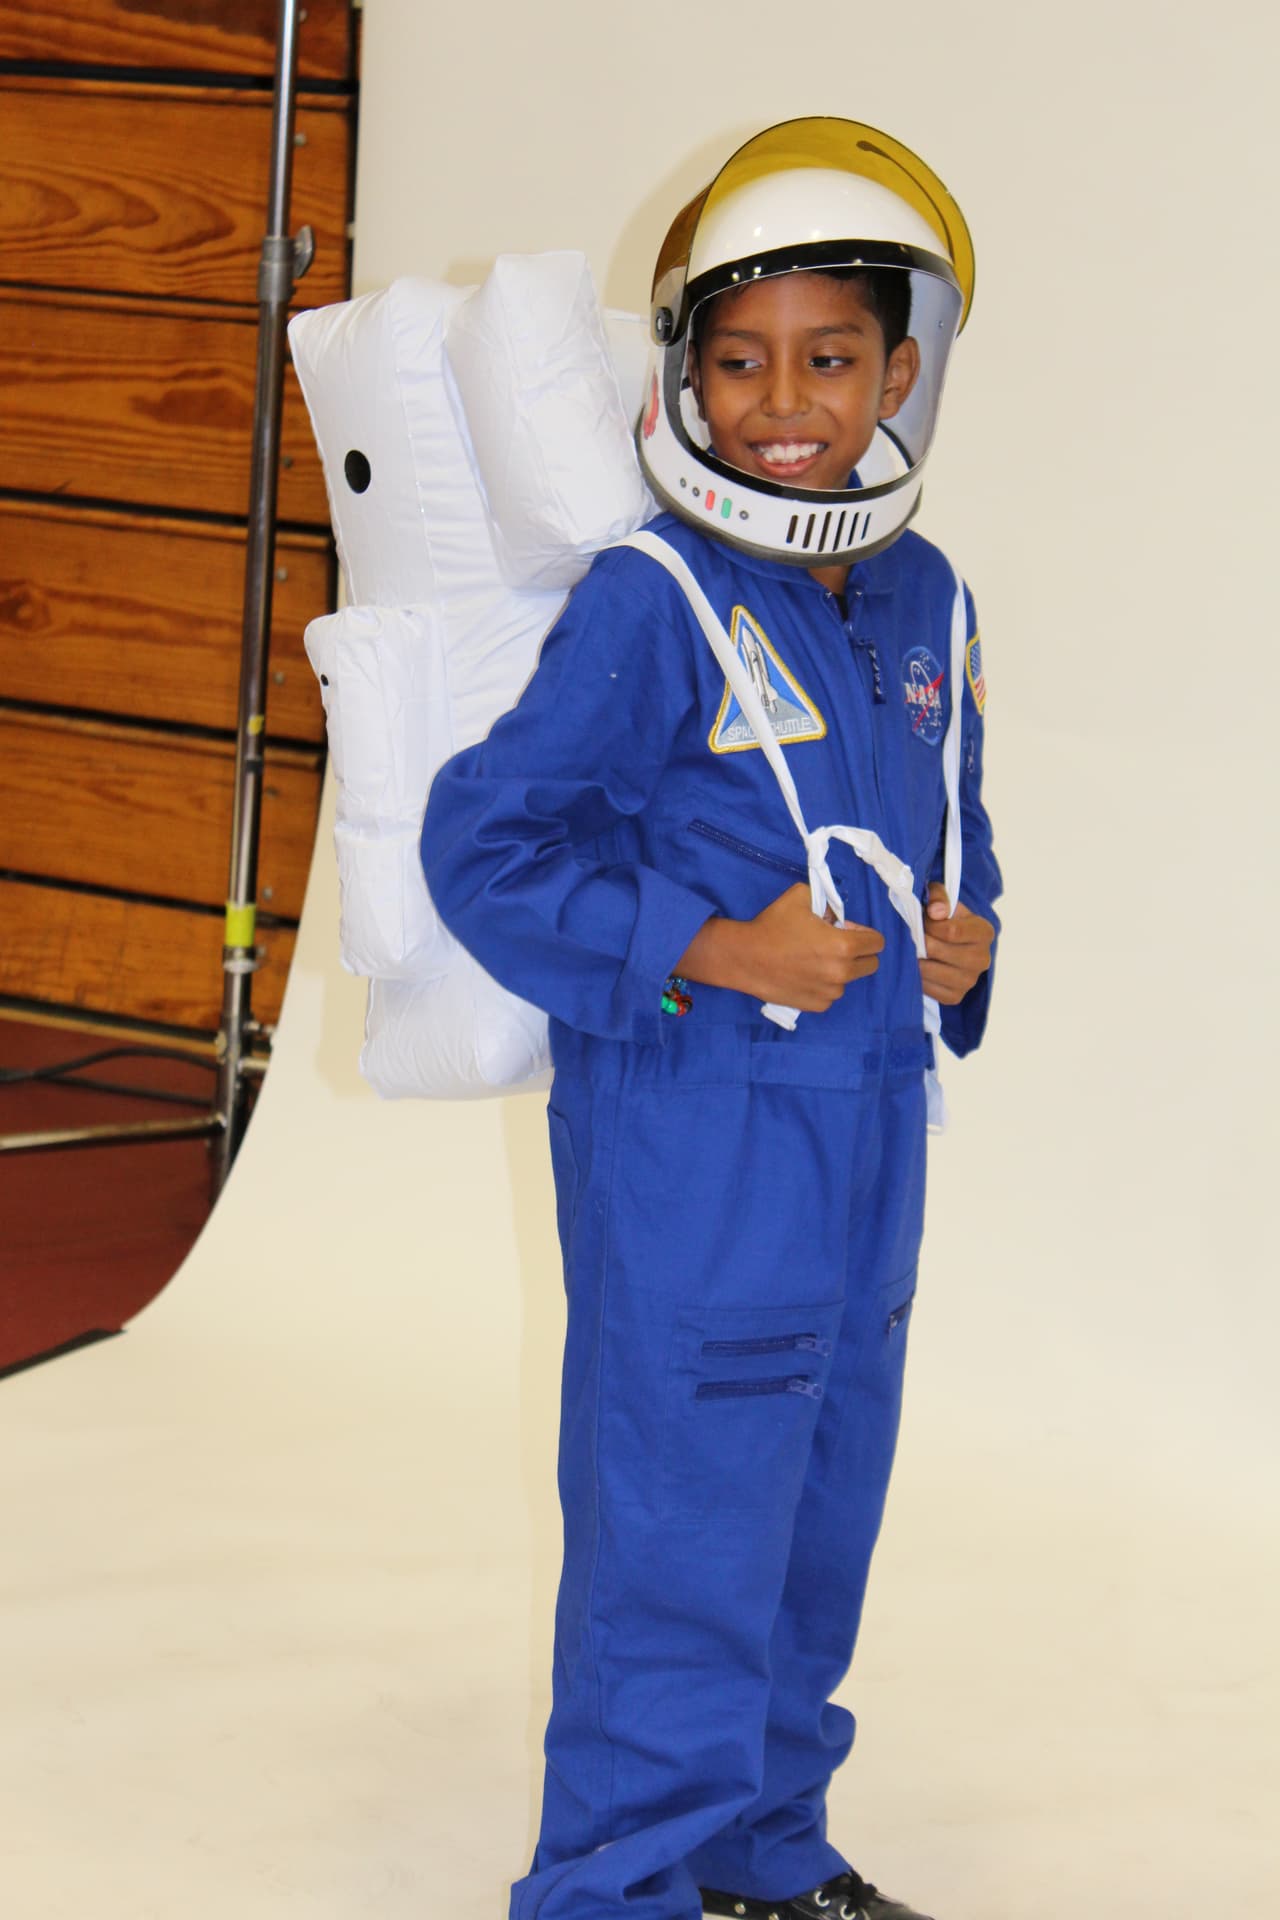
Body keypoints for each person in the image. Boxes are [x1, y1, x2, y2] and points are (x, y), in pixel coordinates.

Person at [421, 117, 1001, 1920]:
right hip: (694, 1126)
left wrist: (971, 945)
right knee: (680, 1523)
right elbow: (488, 846)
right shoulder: (653, 599)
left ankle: (761, 1846)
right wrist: (711, 946)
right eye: (739, 361)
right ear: (684, 371)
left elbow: (953, 829)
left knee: (817, 1504)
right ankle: (620, 1886)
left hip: (869, 1125)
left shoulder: (923, 597)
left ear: (901, 369)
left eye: (830, 359)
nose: (782, 405)